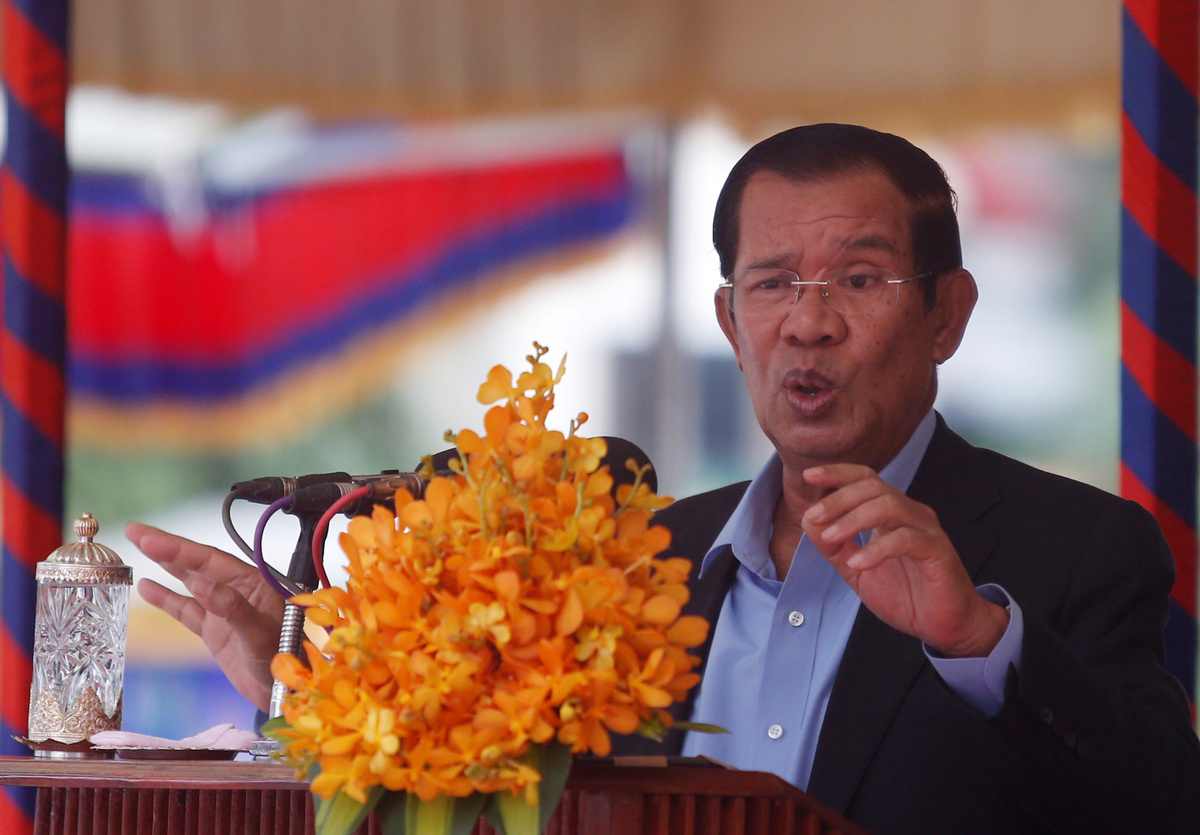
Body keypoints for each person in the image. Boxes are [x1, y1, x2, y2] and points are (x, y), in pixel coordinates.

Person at [129, 124, 1200, 834]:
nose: (809, 322)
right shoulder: (628, 560)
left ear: (946, 315)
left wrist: (979, 642)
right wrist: (301, 689)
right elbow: (489, 791)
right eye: (772, 283)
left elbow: (1160, 807)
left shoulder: (1074, 551)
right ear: (730, 321)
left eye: (859, 278)